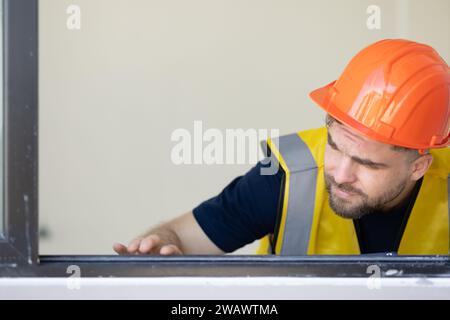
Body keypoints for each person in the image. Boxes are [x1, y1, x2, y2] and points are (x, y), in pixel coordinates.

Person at [113, 39, 450, 256]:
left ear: (419, 166)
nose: (341, 173)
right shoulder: (286, 176)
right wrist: (159, 246)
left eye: (368, 164)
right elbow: (180, 237)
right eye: (334, 145)